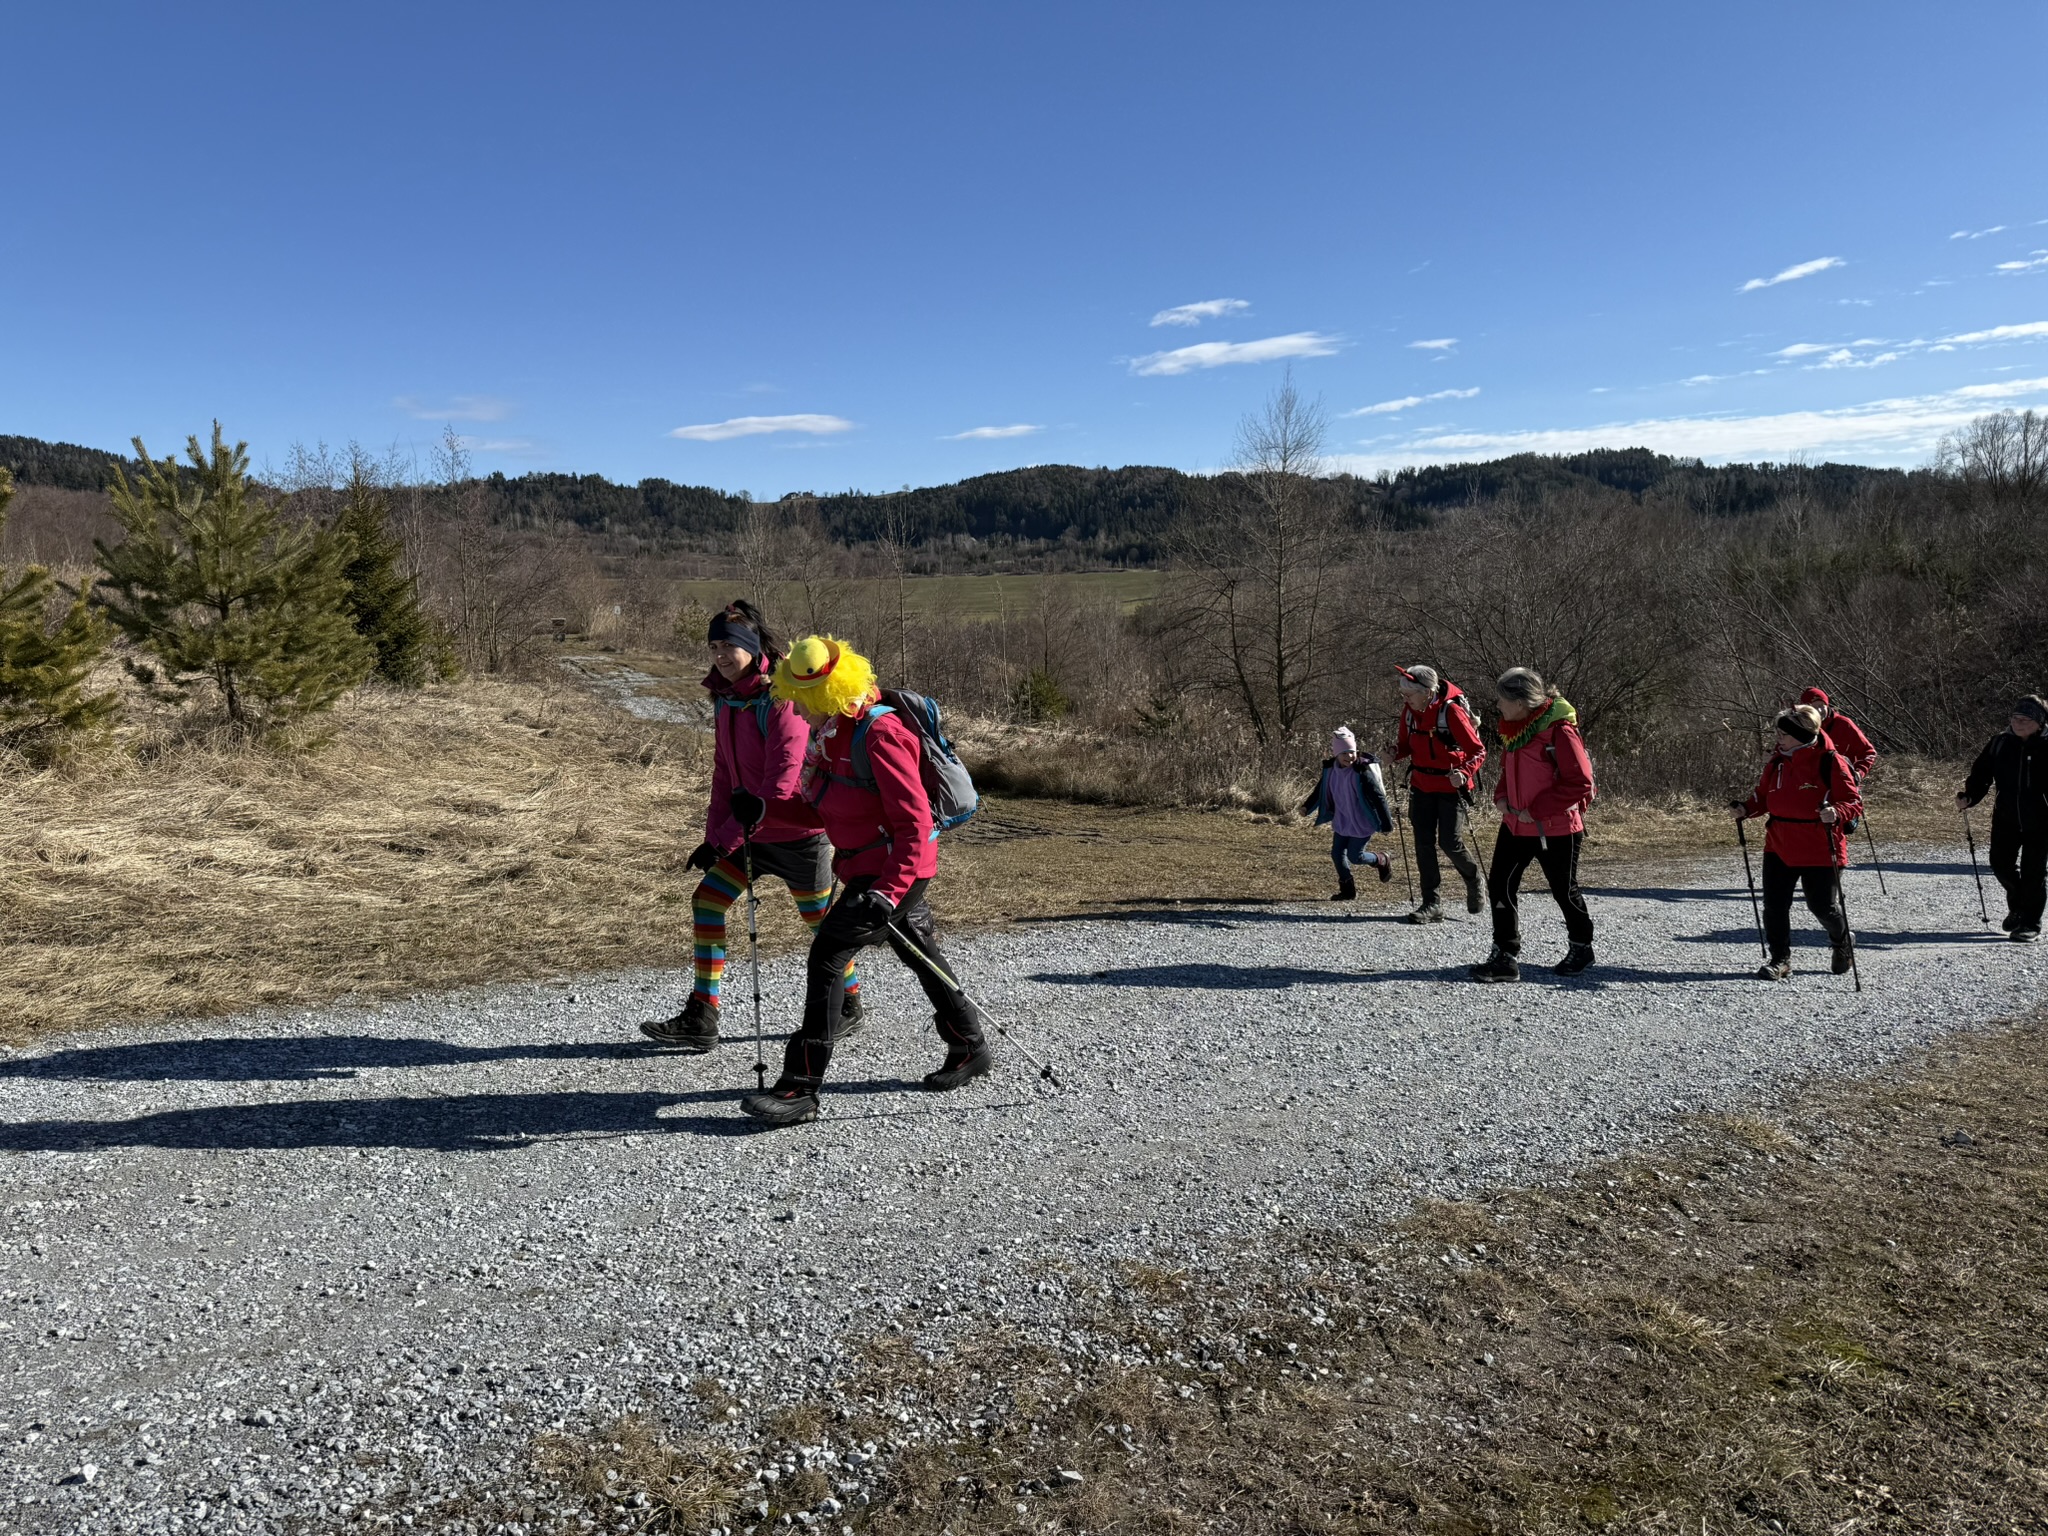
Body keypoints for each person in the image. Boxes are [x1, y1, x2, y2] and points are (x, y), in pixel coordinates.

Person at [740, 635, 991, 1127]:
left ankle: (799, 1087)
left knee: (828, 955)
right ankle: (969, 1045)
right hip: (867, 870)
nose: (797, 711)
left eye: (801, 701)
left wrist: (888, 891)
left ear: (824, 695)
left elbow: (915, 824)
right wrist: (764, 809)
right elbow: (821, 808)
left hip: (892, 872)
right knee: (920, 952)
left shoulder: (880, 734)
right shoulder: (832, 734)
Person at [638, 602, 859, 1051]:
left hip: (797, 835)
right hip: (748, 836)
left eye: (729, 646)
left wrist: (725, 838)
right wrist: (712, 840)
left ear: (753, 648)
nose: (720, 655)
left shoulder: (781, 700)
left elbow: (777, 786)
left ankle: (849, 1002)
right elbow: (724, 774)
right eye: (713, 646)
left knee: (821, 925)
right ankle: (703, 1014)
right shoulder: (726, 699)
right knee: (707, 902)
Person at [1471, 667, 1596, 981]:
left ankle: (1582, 947)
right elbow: (1508, 770)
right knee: (1500, 885)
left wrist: (1537, 809)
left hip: (1558, 828)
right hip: (1515, 824)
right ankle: (1505, 956)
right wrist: (1501, 796)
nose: (1497, 705)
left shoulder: (1559, 731)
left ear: (1520, 702)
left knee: (1563, 890)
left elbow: (1581, 781)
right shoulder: (1516, 727)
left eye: (1502, 699)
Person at [1731, 704, 1860, 980]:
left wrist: (1836, 812)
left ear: (1801, 735)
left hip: (1820, 846)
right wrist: (1746, 809)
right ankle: (1780, 960)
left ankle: (1842, 941)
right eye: (1778, 733)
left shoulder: (1830, 761)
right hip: (1779, 844)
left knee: (1822, 907)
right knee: (1774, 905)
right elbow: (1763, 798)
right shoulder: (1777, 762)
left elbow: (1853, 802)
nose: (1778, 738)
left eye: (1783, 734)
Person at [1393, 664, 1486, 923]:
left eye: (1408, 694)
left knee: (1449, 842)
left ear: (1427, 692)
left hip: (1450, 787)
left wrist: (1464, 773)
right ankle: (1431, 903)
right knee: (1423, 844)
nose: (1405, 699)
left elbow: (1478, 750)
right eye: (1402, 694)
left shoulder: (1451, 712)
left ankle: (1473, 878)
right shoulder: (1409, 713)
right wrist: (1393, 753)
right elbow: (1404, 746)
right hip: (1421, 785)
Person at [1957, 695, 2048, 943]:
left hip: (2041, 820)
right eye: (2015, 718)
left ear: (2039, 723)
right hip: (2006, 816)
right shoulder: (2000, 743)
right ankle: (2018, 907)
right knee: (2000, 865)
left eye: (2025, 719)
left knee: (2034, 872)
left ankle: (2030, 923)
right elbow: (1981, 774)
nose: (2017, 723)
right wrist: (1969, 796)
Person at [1299, 726, 1395, 900]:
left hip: (1362, 822)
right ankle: (1347, 890)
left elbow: (1378, 797)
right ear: (1336, 753)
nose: (1349, 756)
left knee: (1355, 856)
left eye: (1352, 752)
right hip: (1342, 820)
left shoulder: (1362, 772)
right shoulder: (1331, 770)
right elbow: (1320, 790)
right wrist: (1307, 807)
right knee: (1337, 854)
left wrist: (1386, 823)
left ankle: (1381, 859)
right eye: (1344, 753)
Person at [1798, 687, 1878, 779]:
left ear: (1827, 705)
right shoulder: (1799, 727)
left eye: (1821, 705)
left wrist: (1858, 773)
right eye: (1814, 707)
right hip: (1811, 783)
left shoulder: (1844, 724)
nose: (1819, 711)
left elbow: (1868, 751)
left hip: (1843, 781)